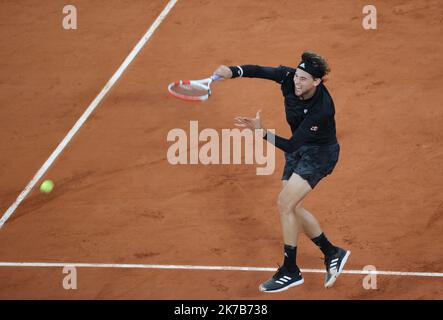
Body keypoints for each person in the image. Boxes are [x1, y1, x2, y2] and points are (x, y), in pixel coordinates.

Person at [213, 51, 350, 293]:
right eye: (297, 76)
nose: (297, 82)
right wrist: (232, 71)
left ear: (317, 82)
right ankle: (331, 252)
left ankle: (290, 270)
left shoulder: (322, 109)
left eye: (304, 79)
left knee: (285, 203)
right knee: (292, 207)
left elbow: (292, 144)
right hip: (299, 150)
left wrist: (261, 132)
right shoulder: (289, 78)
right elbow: (260, 70)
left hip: (320, 154)